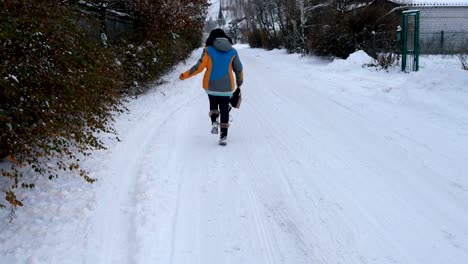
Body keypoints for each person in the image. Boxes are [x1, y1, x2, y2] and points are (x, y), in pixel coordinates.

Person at [179, 28, 243, 145]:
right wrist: (240, 83)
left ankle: (214, 121)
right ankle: (223, 136)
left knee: (213, 104)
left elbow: (198, 68)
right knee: (224, 110)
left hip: (211, 85)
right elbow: (238, 69)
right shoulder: (233, 51)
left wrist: (184, 76)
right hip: (227, 87)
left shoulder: (207, 50)